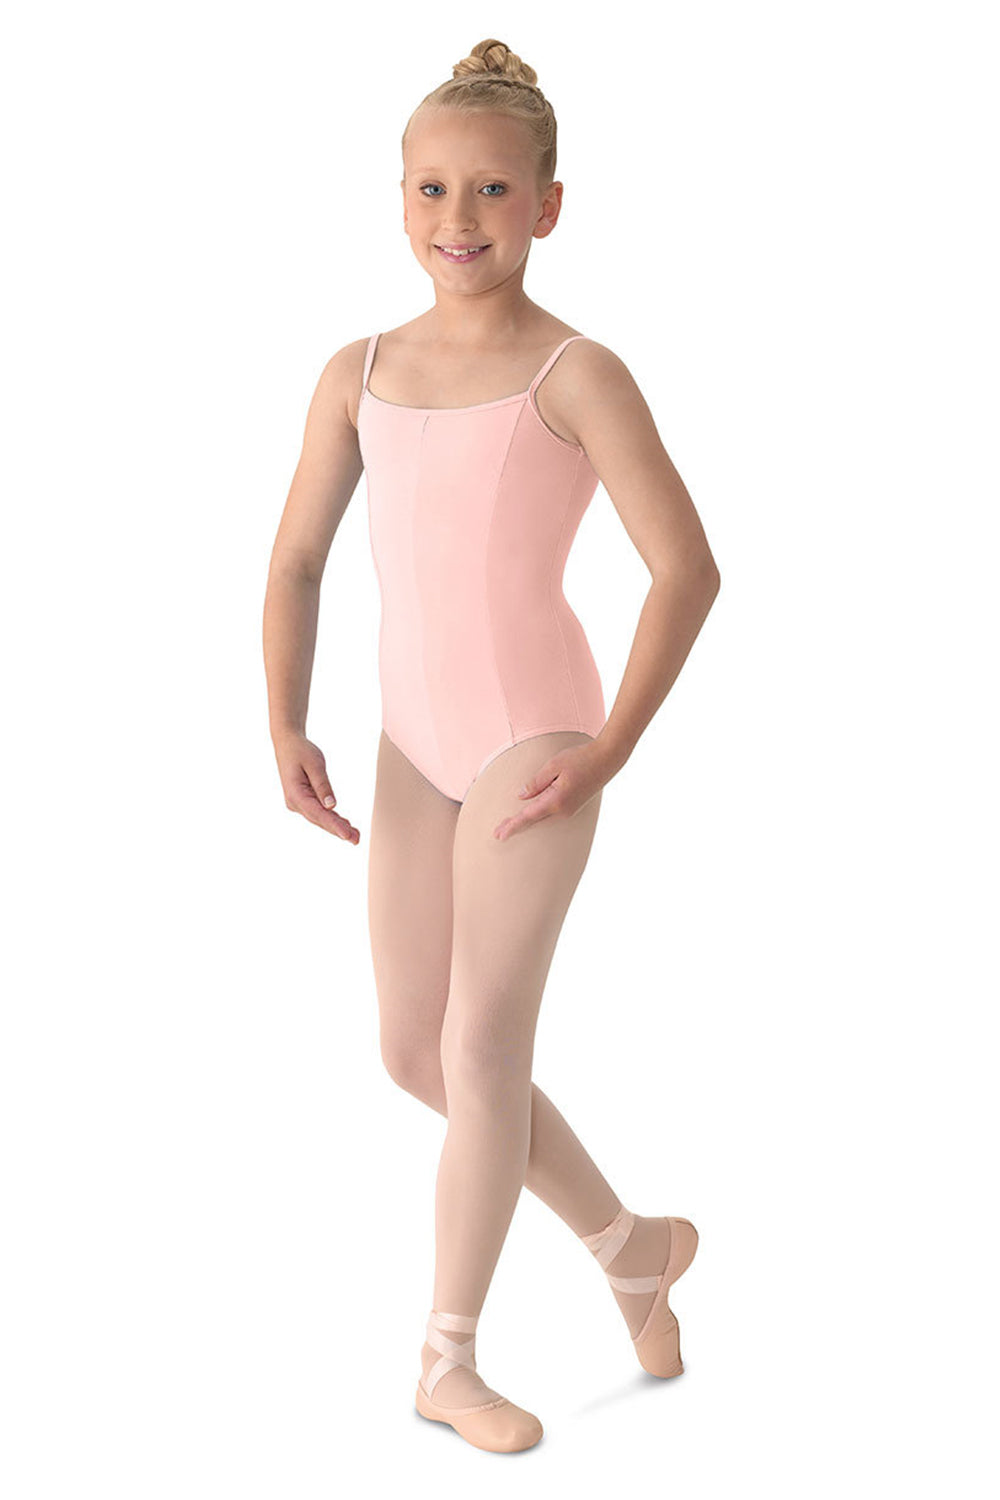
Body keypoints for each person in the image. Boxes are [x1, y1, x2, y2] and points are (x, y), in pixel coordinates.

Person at [262, 37, 721, 1454]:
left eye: (494, 190)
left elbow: (687, 569)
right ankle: (634, 1248)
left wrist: (613, 750)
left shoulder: (577, 373)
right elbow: (296, 562)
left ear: (549, 206)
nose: (459, 218)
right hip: (412, 744)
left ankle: (445, 1361)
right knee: (417, 1051)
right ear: (399, 198)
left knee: (482, 1042)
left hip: (538, 737)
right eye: (432, 189)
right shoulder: (358, 371)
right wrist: (285, 718)